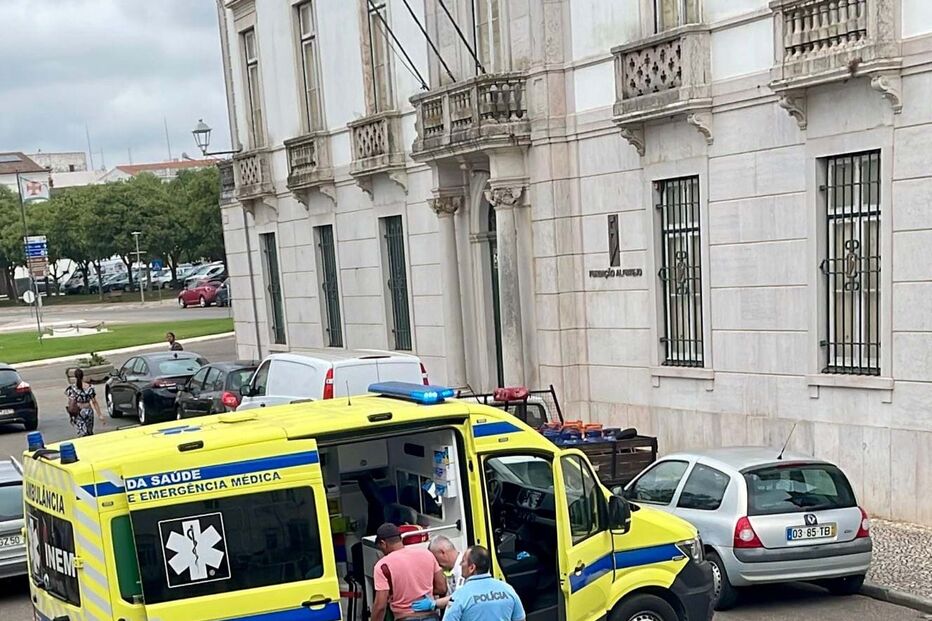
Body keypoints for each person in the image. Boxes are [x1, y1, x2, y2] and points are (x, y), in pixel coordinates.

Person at [413, 546, 525, 621]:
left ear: (472, 568)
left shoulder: (459, 596)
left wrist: (433, 604)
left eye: (463, 561)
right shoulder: (508, 589)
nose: (461, 564)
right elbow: (520, 619)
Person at [371, 523, 447, 621]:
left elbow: (380, 606)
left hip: (404, 617)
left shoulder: (382, 566)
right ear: (400, 539)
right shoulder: (427, 554)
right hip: (431, 616)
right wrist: (421, 591)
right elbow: (442, 588)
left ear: (383, 543)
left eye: (380, 547)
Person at [423, 535, 464, 610]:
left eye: (435, 559)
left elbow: (460, 598)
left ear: (442, 552)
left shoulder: (465, 566)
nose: (436, 563)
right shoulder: (451, 570)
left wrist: (434, 603)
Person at [65, 368, 105, 437]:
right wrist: (100, 415)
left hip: (79, 412)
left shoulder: (72, 388)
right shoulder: (90, 388)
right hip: (89, 411)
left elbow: (70, 401)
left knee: (82, 432)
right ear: (83, 376)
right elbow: (94, 402)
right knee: (89, 432)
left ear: (75, 377)